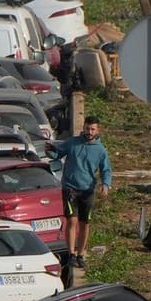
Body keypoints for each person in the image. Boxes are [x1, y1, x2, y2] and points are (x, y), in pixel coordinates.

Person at [59, 115, 112, 269]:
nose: (89, 131)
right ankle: (71, 254)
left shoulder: (100, 150)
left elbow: (106, 170)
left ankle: (81, 254)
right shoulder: (72, 143)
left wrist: (105, 184)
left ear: (97, 130)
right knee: (72, 221)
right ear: (83, 128)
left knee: (85, 223)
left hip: (87, 190)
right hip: (70, 188)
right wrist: (51, 151)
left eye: (92, 129)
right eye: (87, 128)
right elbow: (57, 153)